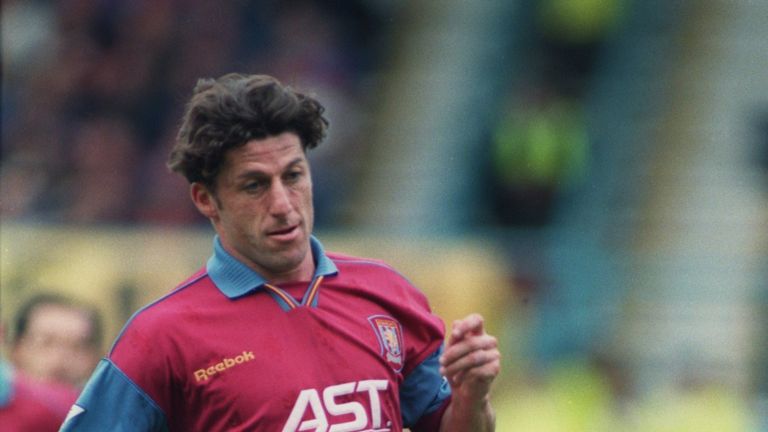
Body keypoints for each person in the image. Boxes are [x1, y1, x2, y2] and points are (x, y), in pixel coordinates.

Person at [61, 73, 501, 431]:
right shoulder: (162, 336)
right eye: (254, 185)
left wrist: (472, 395)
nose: (283, 204)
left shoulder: (388, 293)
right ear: (206, 199)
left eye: (293, 175)